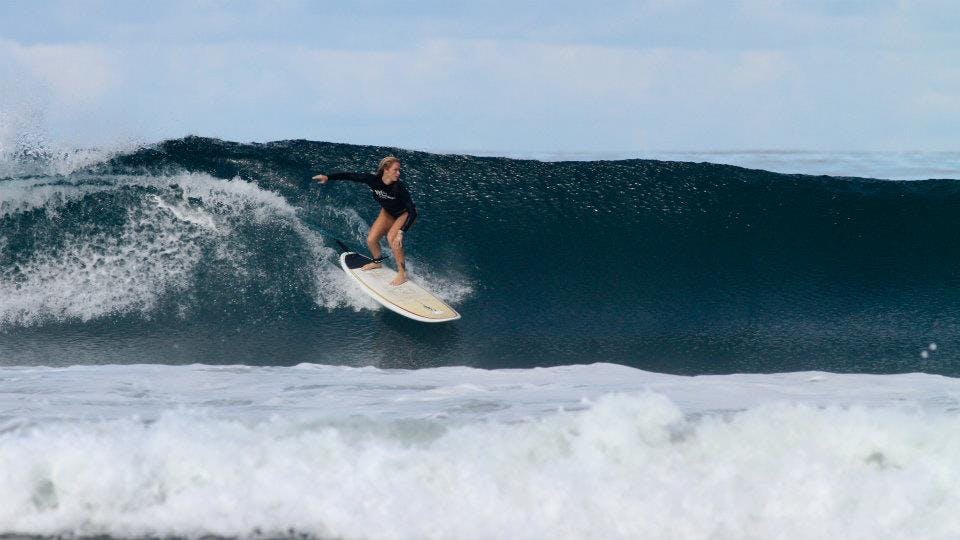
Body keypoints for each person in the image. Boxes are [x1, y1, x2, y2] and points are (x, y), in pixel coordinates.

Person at [312, 156, 417, 286]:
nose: (398, 173)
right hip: (388, 212)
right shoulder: (373, 180)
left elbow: (413, 211)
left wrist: (401, 233)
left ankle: (402, 274)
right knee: (371, 239)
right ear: (386, 169)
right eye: (395, 170)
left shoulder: (399, 187)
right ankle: (377, 263)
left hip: (404, 213)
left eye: (399, 170)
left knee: (392, 238)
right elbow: (351, 176)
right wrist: (328, 177)